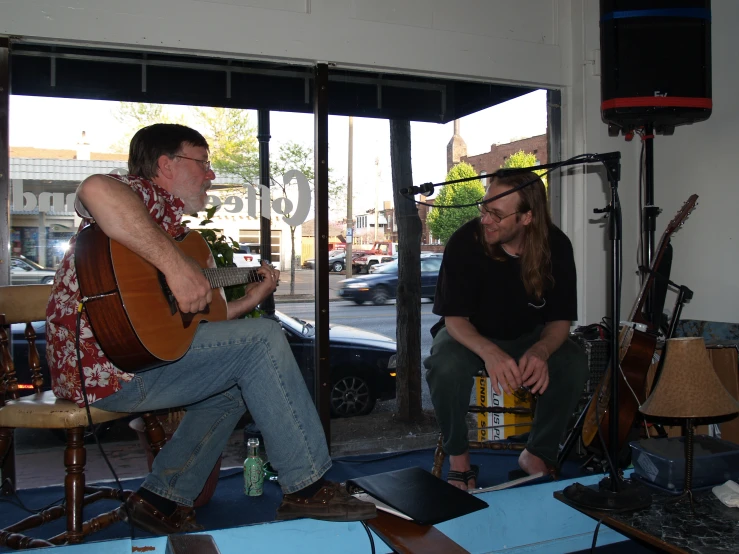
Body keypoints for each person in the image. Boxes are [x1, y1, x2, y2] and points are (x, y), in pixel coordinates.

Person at [45, 123, 375, 534]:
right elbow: (95, 189)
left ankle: (161, 497)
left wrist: (251, 298)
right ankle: (306, 485)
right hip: (110, 369)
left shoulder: (174, 230)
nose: (211, 174)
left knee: (239, 377)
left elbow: (195, 328)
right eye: (202, 163)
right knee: (266, 338)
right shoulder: (142, 197)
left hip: (137, 362)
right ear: (166, 165)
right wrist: (175, 267)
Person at [424, 171, 588, 490]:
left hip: (529, 335)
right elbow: (454, 319)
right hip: (469, 334)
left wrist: (541, 352)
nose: (485, 219)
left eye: (496, 214)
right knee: (444, 365)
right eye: (484, 208)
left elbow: (559, 322)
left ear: (527, 217)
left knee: (572, 360)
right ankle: (459, 459)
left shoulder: (557, 246)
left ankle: (537, 452)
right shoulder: (464, 243)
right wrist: (490, 352)